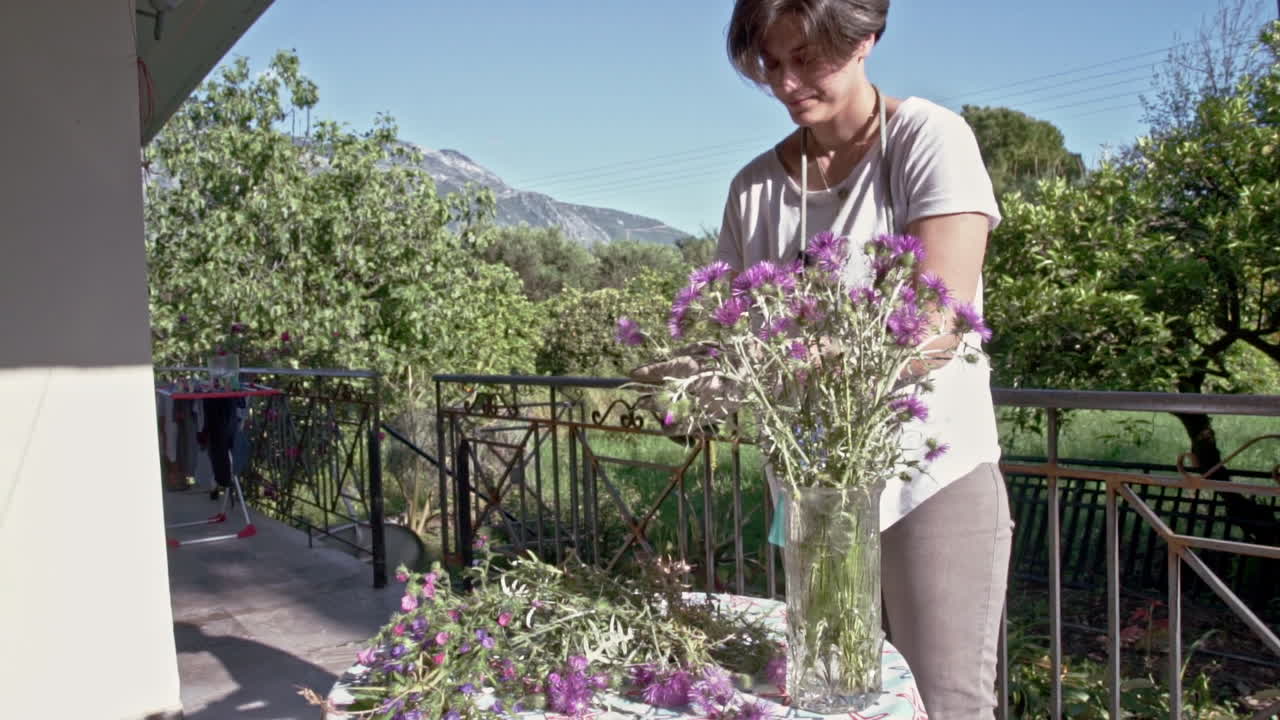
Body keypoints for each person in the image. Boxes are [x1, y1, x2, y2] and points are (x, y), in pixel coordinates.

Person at [717, 2, 1012, 718]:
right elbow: (727, 329)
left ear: (865, 39)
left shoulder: (930, 139)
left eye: (806, 60)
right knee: (828, 695)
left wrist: (811, 357)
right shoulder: (754, 188)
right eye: (770, 64)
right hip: (816, 492)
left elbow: (938, 319)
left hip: (930, 476)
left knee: (946, 701)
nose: (787, 84)